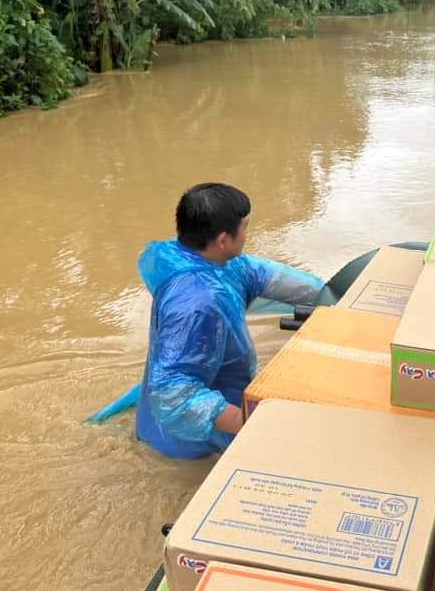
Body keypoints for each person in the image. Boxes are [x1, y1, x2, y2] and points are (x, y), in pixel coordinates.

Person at [135, 183, 323, 459]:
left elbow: (274, 277)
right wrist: (245, 422)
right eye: (245, 227)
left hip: (209, 404)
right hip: (192, 442)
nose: (247, 234)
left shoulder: (205, 260)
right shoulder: (198, 305)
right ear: (223, 239)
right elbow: (173, 393)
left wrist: (336, 293)